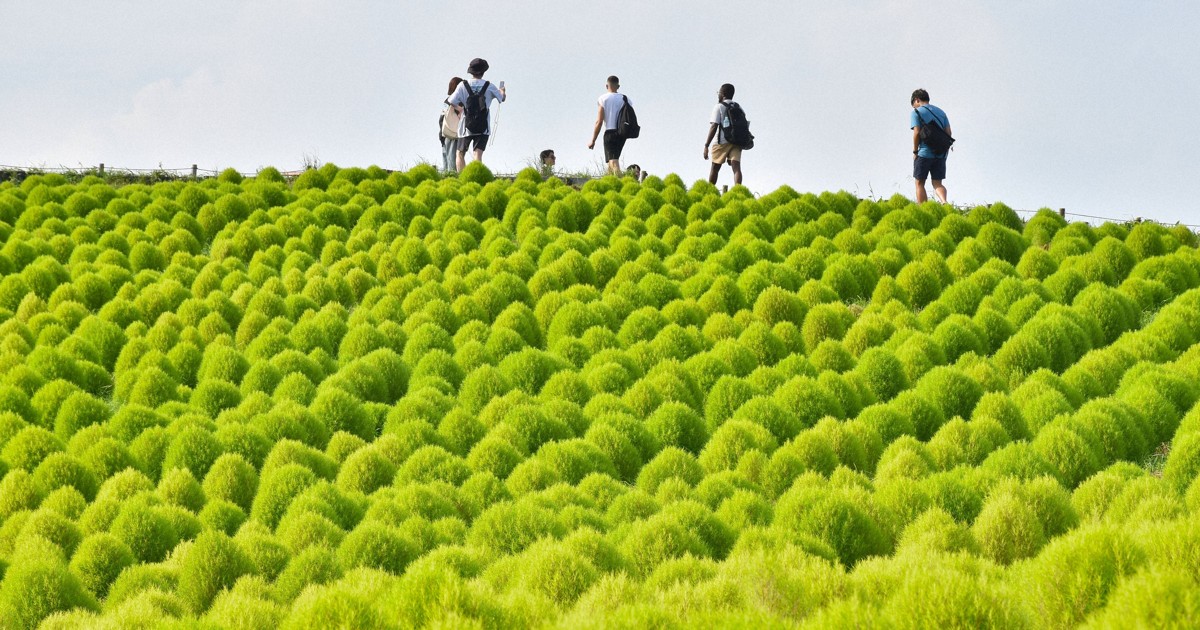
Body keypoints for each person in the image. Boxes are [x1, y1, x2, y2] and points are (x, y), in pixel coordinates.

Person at [449, 58, 506, 171]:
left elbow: (451, 101)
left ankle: (462, 179)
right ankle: (476, 177)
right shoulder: (489, 86)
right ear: (483, 71)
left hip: (466, 126)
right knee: (477, 154)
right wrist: (502, 91)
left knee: (460, 153)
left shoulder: (462, 85)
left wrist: (461, 109)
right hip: (483, 126)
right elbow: (502, 99)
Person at [910, 88, 952, 203]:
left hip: (924, 153)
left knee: (919, 182)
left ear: (917, 100)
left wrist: (915, 151)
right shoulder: (941, 112)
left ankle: (923, 209)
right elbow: (949, 133)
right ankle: (944, 202)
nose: (914, 108)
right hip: (941, 153)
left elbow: (917, 132)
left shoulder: (916, 112)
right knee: (937, 183)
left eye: (914, 105)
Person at [588, 76, 631, 176]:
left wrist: (593, 140)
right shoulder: (625, 99)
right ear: (618, 86)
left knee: (613, 161)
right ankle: (609, 182)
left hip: (610, 133)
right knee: (611, 161)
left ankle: (622, 182)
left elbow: (599, 121)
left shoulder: (603, 99)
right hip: (622, 133)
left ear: (606, 85)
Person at [704, 83, 743, 186]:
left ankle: (710, 191)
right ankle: (738, 191)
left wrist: (706, 145)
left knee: (715, 168)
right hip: (737, 142)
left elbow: (714, 126)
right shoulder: (739, 107)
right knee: (736, 168)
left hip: (721, 141)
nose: (718, 95)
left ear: (723, 94)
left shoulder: (719, 107)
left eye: (719, 93)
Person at [439, 77, 464, 173]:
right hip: (455, 134)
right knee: (453, 163)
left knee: (446, 163)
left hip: (445, 133)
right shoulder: (459, 101)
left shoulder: (447, 101)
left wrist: (441, 132)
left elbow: (441, 117)